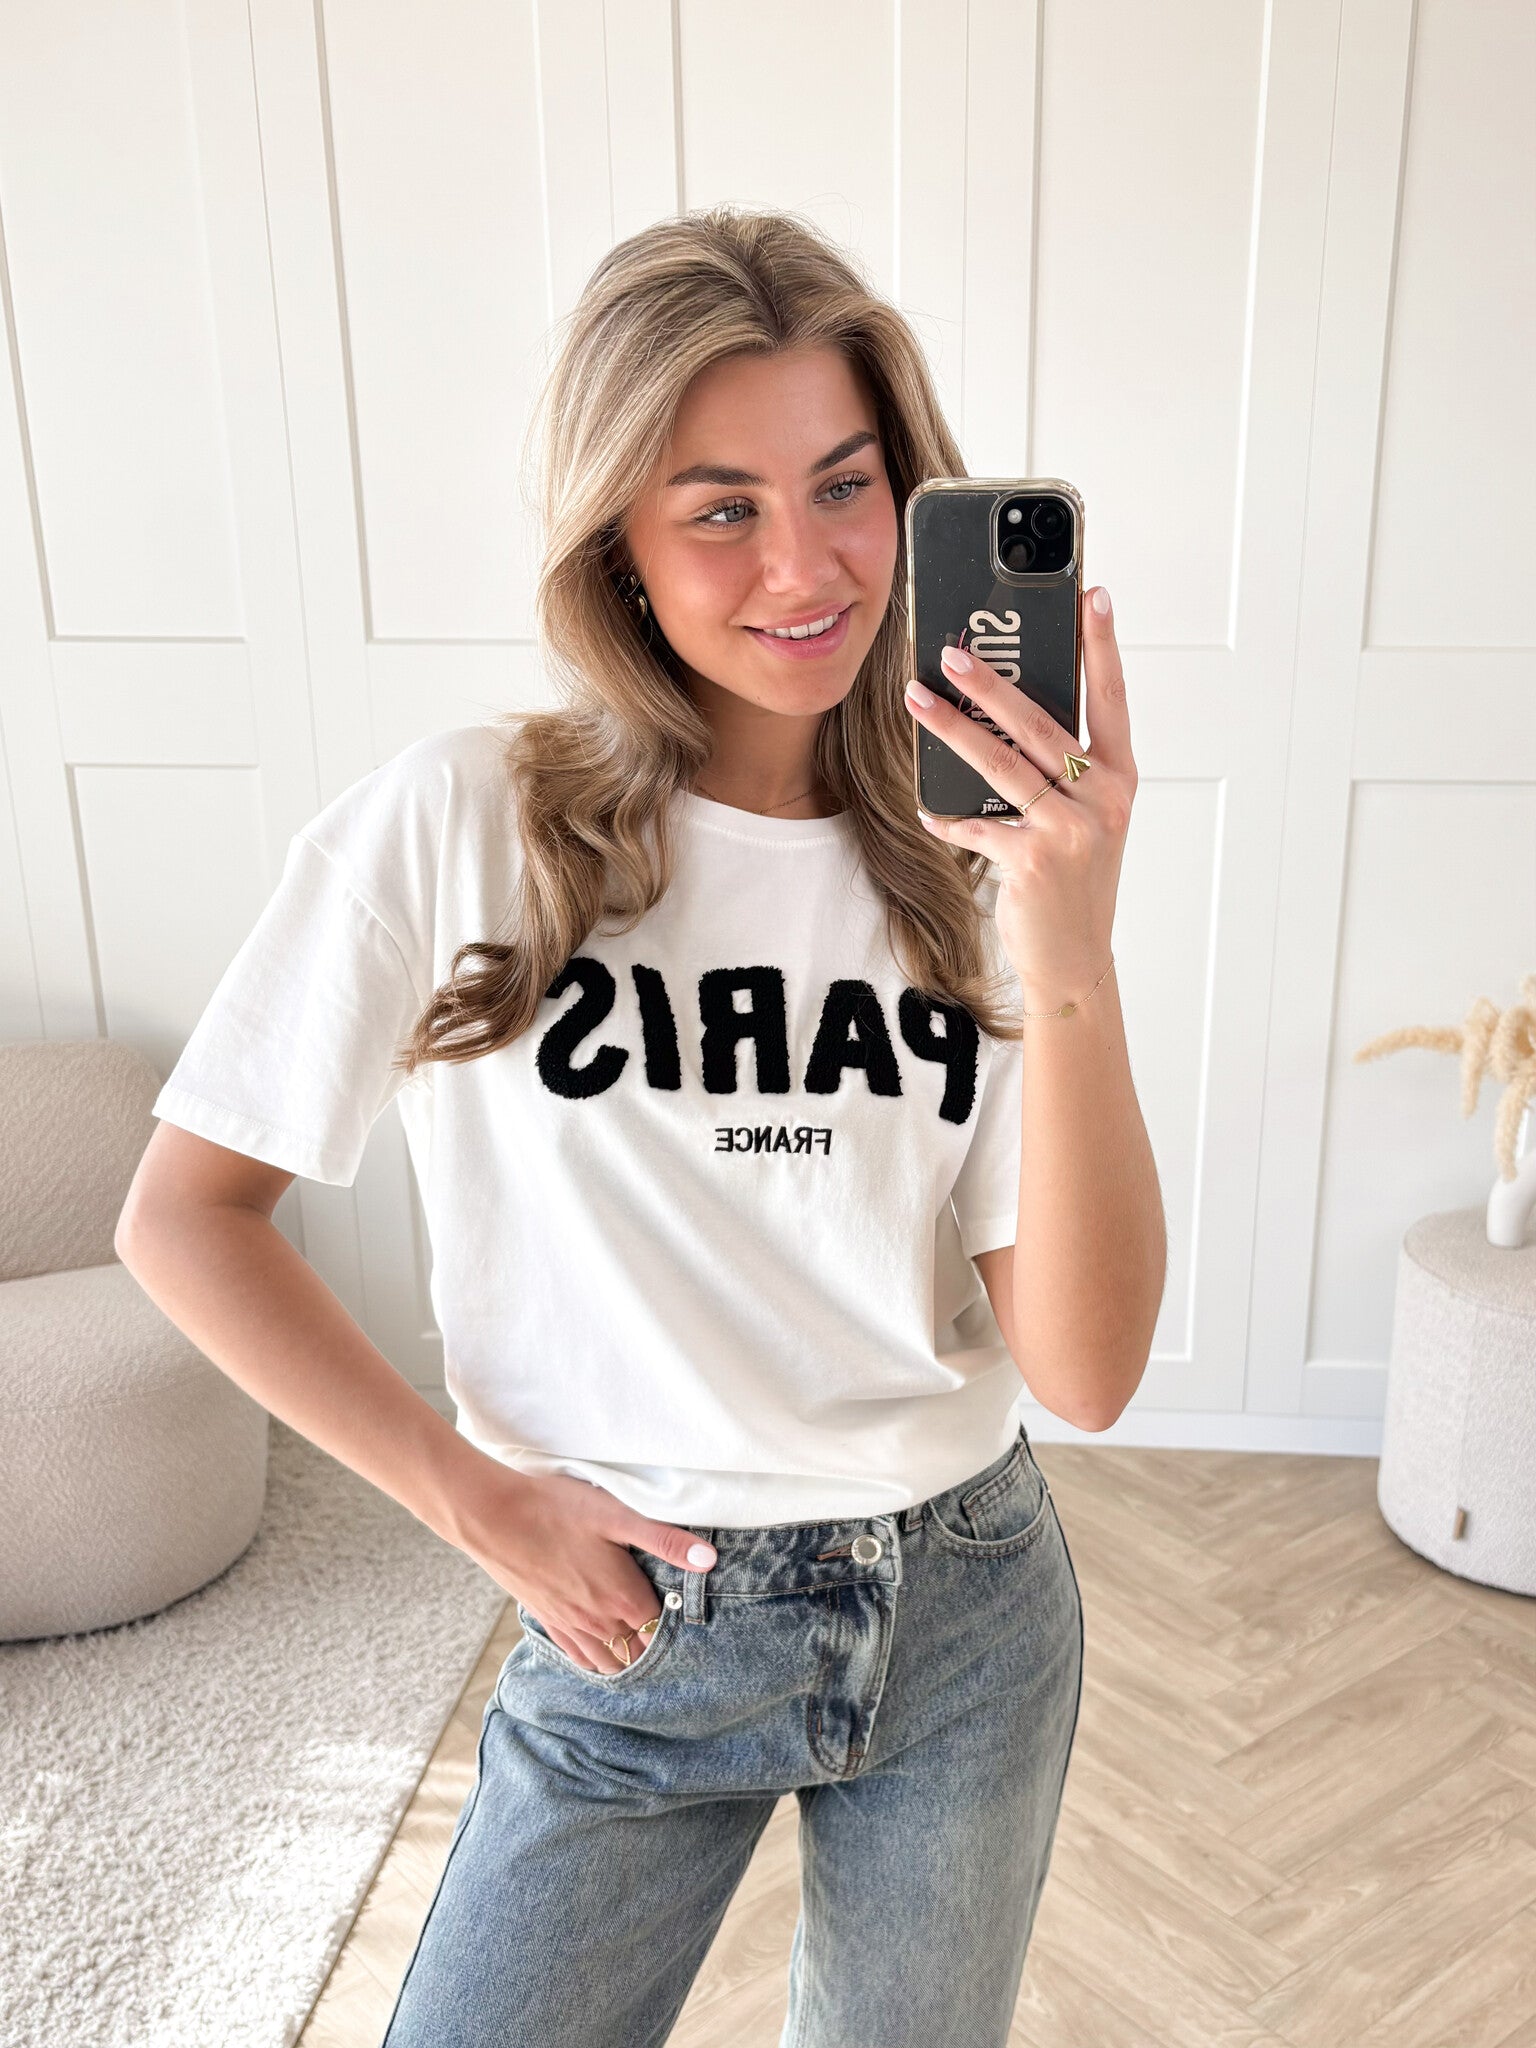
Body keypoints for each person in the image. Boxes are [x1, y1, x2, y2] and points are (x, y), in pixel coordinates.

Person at [118, 205, 1161, 2047]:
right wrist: (472, 1500)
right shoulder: (465, 823)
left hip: (964, 1614)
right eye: (721, 509)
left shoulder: (978, 860)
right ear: (619, 539)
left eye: (847, 486)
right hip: (636, 1621)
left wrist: (1069, 942)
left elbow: (1086, 1372)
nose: (805, 566)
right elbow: (184, 1216)